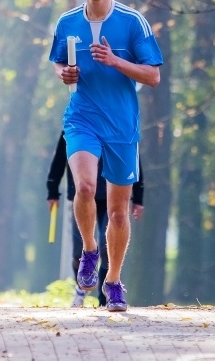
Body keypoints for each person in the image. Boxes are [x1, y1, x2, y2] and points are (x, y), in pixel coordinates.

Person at [49, 0, 163, 312]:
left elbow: (153, 76)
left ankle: (112, 280)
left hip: (122, 126)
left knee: (117, 213)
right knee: (84, 186)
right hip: (82, 117)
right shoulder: (67, 23)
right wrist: (64, 74)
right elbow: (58, 62)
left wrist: (115, 61)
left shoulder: (132, 22)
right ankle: (89, 251)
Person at [46, 130, 144, 307]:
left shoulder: (119, 125)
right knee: (78, 251)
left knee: (107, 250)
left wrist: (138, 196)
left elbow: (132, 160)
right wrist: (52, 190)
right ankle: (80, 289)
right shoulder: (77, 125)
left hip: (109, 197)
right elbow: (60, 157)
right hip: (82, 196)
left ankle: (105, 297)